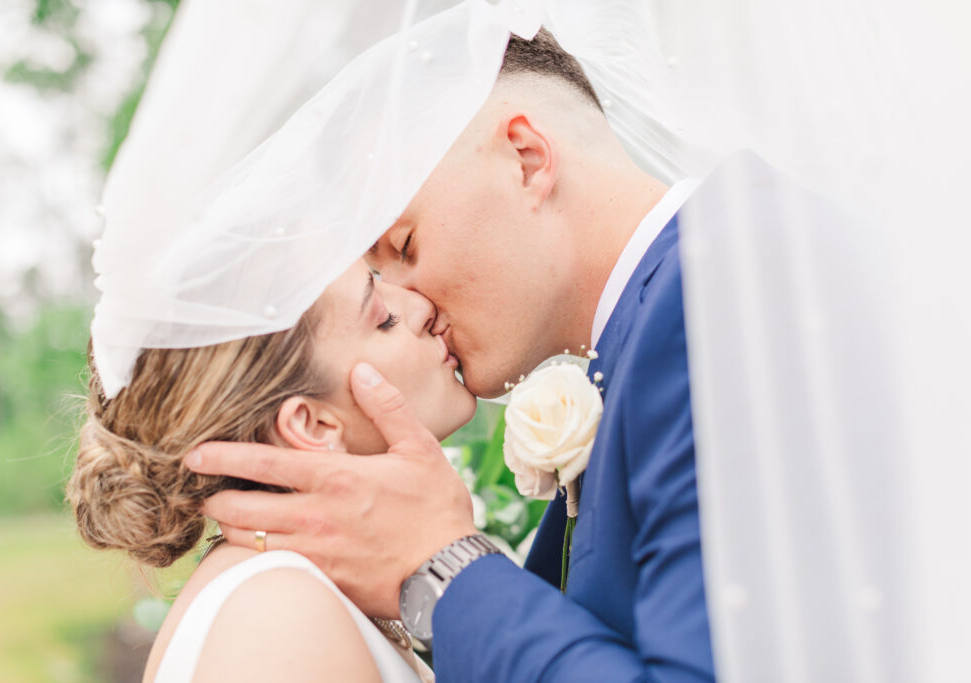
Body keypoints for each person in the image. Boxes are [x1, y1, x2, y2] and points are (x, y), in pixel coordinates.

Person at [186, 29, 721, 681]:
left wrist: (445, 563)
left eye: (405, 246)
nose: (415, 305)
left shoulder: (706, 301)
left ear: (525, 158)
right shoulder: (657, 327)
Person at [67, 261, 473, 682]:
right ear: (311, 425)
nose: (422, 306)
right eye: (383, 319)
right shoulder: (280, 616)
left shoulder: (291, 592)